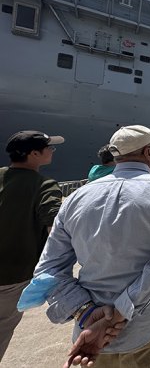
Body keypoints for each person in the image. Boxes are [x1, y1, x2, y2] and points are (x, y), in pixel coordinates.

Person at [32, 124, 150, 366]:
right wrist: (119, 312)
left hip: (90, 334)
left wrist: (86, 312)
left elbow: (47, 270)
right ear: (149, 153)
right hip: (146, 328)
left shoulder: (75, 198)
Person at [0, 130, 63, 362]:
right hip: (10, 277)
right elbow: (55, 228)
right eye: (49, 148)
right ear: (35, 154)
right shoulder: (44, 185)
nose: (52, 151)